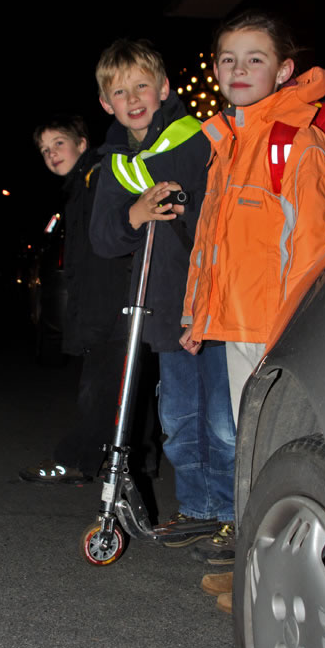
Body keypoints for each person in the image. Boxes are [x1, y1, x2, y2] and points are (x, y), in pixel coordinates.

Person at [180, 11, 325, 594]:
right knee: (253, 453)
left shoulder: (295, 142)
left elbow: (316, 246)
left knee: (282, 455)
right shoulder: (230, 142)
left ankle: (283, 585)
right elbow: (212, 242)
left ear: (284, 70)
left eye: (255, 58)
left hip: (277, 330)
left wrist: (295, 332)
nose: (239, 68)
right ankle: (257, 572)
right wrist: (195, 315)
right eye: (228, 58)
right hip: (238, 325)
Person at [89, 38, 236, 545]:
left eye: (142, 86)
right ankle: (197, 507)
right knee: (179, 418)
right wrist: (136, 212)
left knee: (223, 419)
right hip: (165, 307)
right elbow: (103, 238)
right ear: (107, 104)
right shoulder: (116, 164)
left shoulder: (197, 139)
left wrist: (181, 200)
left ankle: (233, 513)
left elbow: (219, 204)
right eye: (119, 92)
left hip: (214, 300)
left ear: (164, 89)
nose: (133, 98)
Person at [19, 113, 137, 484]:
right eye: (44, 150)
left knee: (99, 390)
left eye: (58, 143)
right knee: (107, 389)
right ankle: (108, 463)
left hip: (114, 305)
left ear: (82, 143)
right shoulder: (79, 185)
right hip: (100, 305)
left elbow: (113, 243)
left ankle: (76, 461)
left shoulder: (98, 176)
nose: (51, 154)